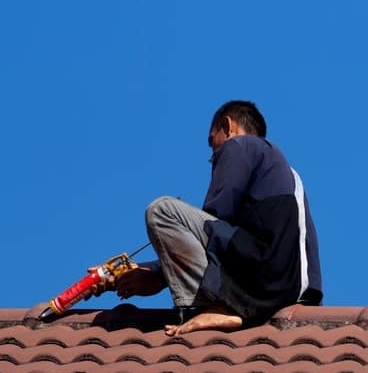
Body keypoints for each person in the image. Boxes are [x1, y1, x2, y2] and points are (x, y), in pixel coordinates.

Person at [97, 100, 322, 335]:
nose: (213, 155)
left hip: (263, 283)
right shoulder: (284, 170)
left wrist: (156, 273)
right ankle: (227, 305)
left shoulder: (241, 146)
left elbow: (213, 224)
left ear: (228, 127)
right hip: (290, 290)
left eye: (212, 142)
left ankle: (211, 306)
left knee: (162, 211)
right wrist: (145, 272)